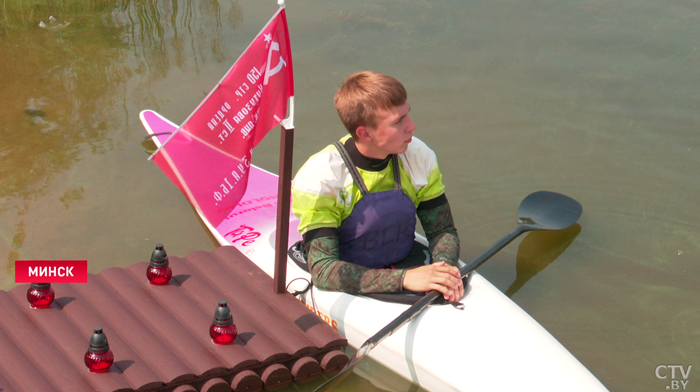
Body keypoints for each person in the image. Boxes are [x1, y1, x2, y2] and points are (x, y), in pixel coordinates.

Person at [291, 71, 463, 302]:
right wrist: (403, 279)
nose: (412, 126)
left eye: (407, 114)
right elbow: (323, 271)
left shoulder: (418, 155)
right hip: (345, 274)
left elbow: (442, 231)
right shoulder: (322, 176)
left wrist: (444, 273)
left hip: (401, 261)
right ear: (365, 133)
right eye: (398, 121)